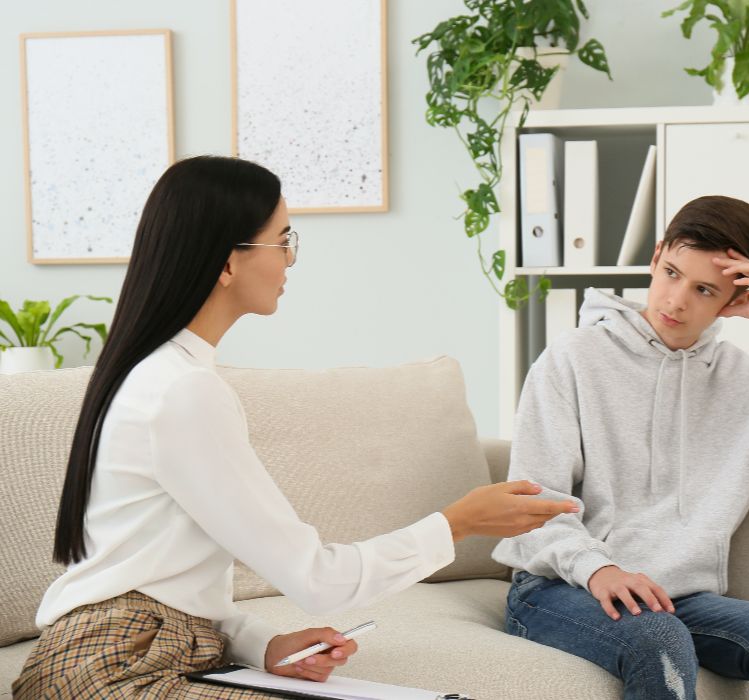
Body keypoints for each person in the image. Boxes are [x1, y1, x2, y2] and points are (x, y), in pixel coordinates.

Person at [13, 156, 579, 699]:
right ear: (227, 262)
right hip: (110, 674)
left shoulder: (161, 375)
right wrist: (458, 523)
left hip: (114, 657)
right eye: (283, 240)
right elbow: (317, 580)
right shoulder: (181, 392)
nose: (289, 260)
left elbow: (165, 575)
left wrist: (265, 646)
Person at [492, 195, 749, 699]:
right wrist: (597, 567)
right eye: (671, 273)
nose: (676, 300)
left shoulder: (742, 385)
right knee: (655, 634)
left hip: (678, 596)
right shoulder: (574, 358)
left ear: (733, 300)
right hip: (560, 587)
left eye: (704, 289)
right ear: (655, 256)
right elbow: (533, 502)